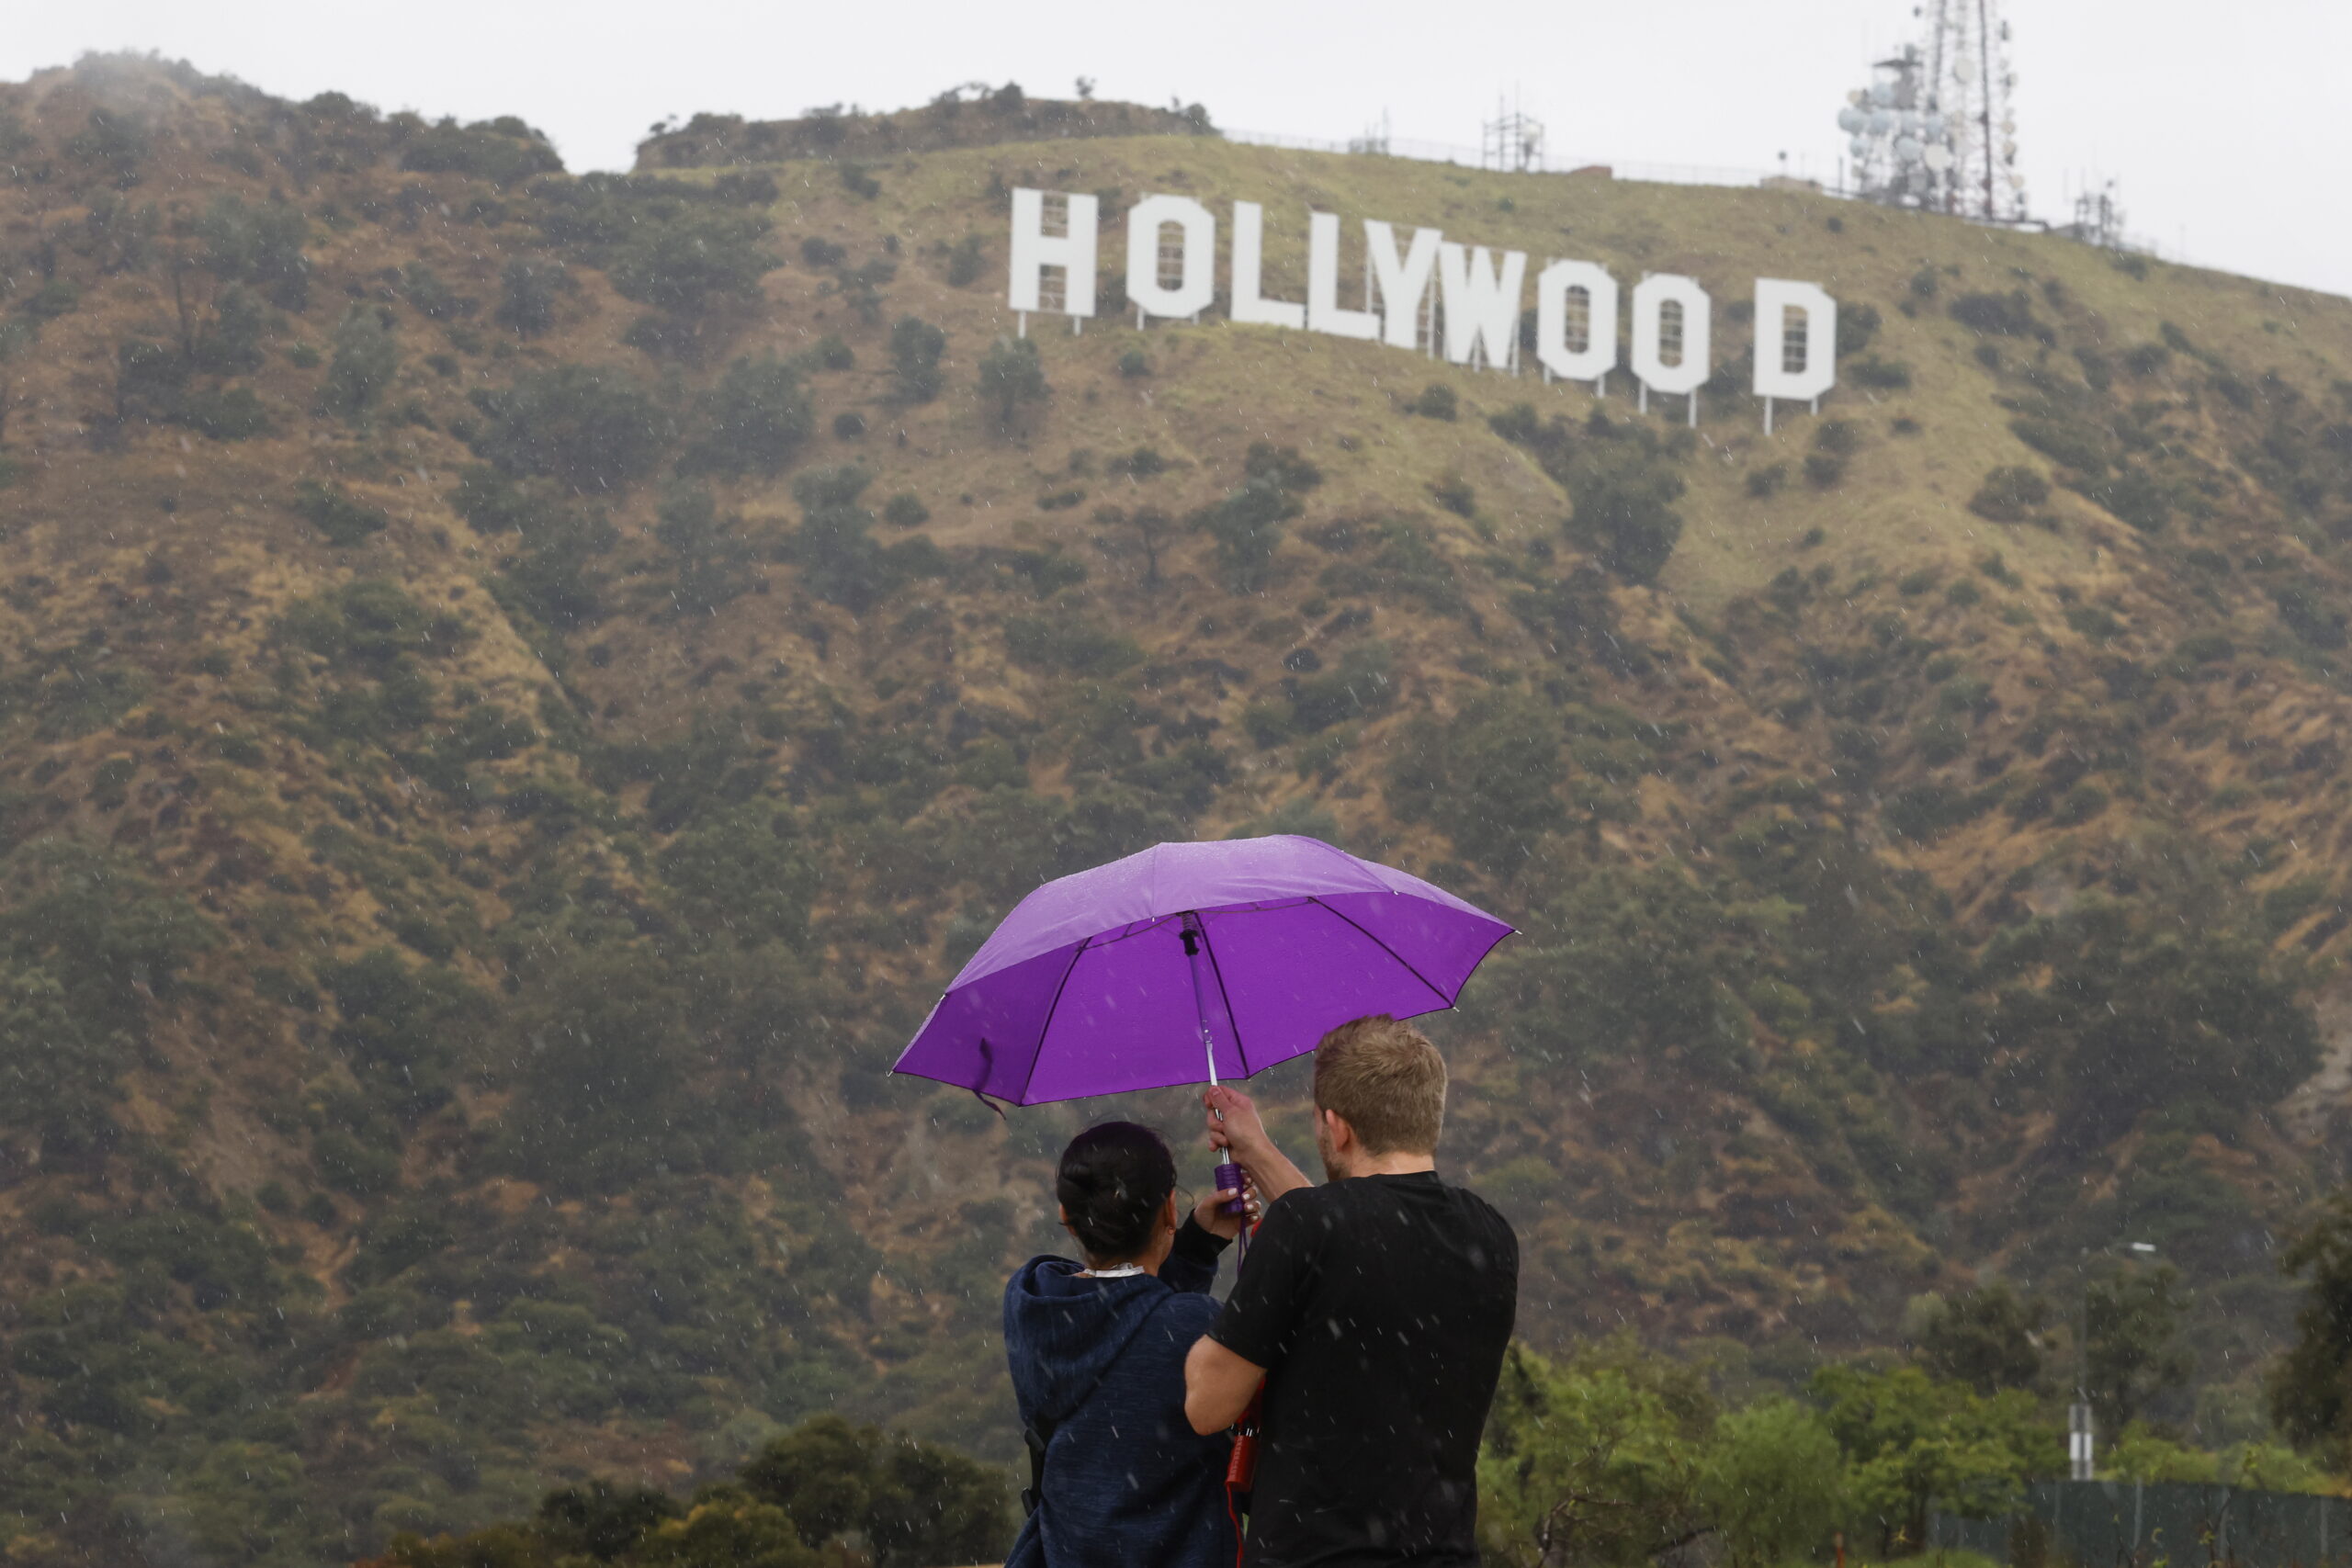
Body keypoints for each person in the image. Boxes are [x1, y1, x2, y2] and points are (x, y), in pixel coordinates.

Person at [1183, 1015, 1519, 1567]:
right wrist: (1257, 1151)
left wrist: (1190, 1318)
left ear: (1336, 1128)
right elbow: (1361, 1241)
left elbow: (1207, 1406)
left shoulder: (1307, 1229)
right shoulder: (1491, 1233)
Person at [1003, 1120, 1252, 1568]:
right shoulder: (1193, 1326)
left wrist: (1195, 1248)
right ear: (1170, 1210)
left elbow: (1125, 1317)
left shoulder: (1033, 1305)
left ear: (1066, 1216)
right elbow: (1150, 1323)